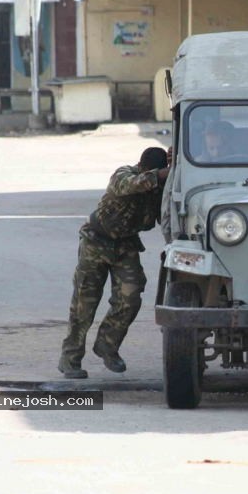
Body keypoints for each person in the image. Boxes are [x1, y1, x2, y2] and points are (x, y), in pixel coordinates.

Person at [58, 147, 171, 379]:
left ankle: (107, 344)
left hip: (125, 245)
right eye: (153, 172)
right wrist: (161, 174)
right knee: (84, 303)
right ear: (141, 166)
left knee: (130, 297)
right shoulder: (124, 174)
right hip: (96, 242)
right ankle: (70, 359)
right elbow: (132, 184)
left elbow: (169, 216)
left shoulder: (159, 191)